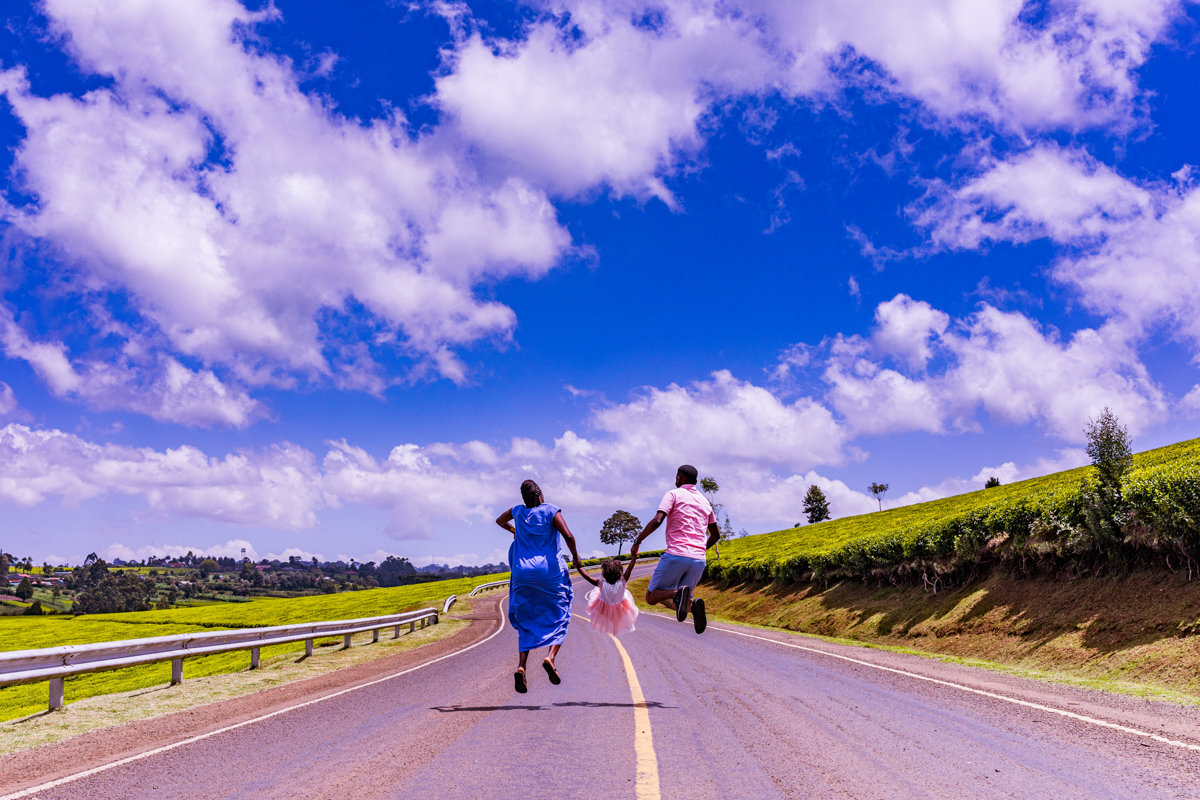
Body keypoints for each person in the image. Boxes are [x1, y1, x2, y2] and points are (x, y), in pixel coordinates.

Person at [495, 479, 583, 693]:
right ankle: (550, 658)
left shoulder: (517, 511)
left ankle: (522, 667)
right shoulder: (550, 510)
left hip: (523, 574)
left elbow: (499, 520)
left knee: (526, 618)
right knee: (561, 614)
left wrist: (515, 530)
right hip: (549, 573)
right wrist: (576, 557)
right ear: (540, 496)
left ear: (524, 498)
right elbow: (568, 535)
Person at [629, 464, 720, 634]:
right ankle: (692, 605)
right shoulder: (705, 502)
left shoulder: (672, 494)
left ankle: (678, 592)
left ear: (679, 478)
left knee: (651, 597)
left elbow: (657, 520)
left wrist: (637, 540)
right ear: (696, 481)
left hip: (676, 554)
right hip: (699, 559)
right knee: (680, 602)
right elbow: (715, 535)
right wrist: (699, 549)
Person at [577, 554, 640, 636]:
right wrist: (634, 557)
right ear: (619, 573)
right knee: (617, 617)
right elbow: (629, 568)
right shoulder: (623, 581)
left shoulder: (601, 584)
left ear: (604, 574)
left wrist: (578, 568)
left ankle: (613, 623)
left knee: (601, 606)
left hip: (604, 607)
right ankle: (615, 623)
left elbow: (588, 577)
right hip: (620, 606)